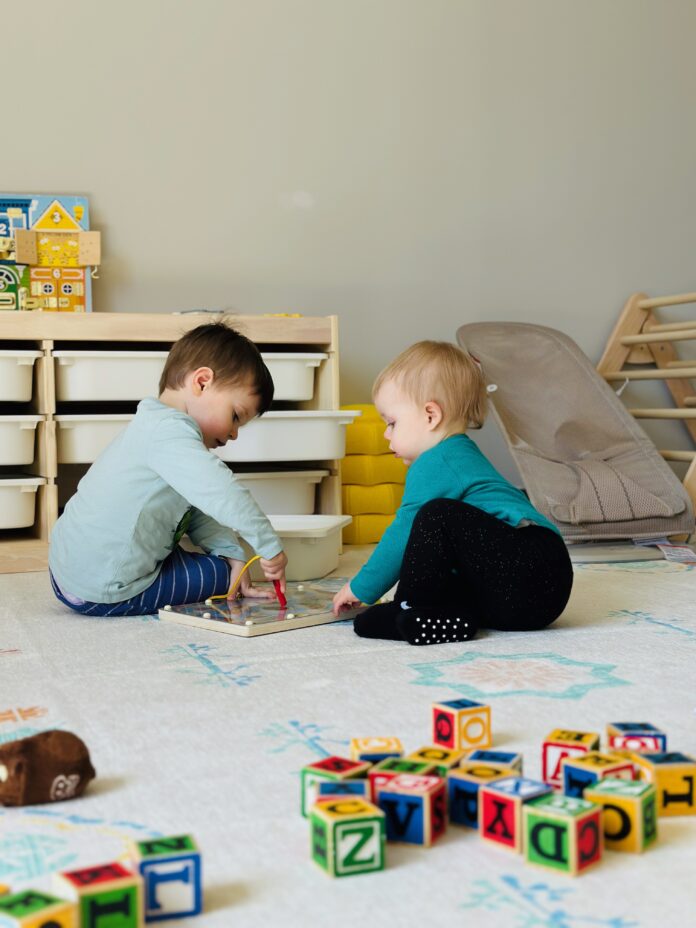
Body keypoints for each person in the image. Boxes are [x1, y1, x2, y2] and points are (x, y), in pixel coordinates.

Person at [332, 340, 573, 645]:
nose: (386, 433)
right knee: (433, 562)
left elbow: (403, 532)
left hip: (534, 565)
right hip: (529, 598)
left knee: (435, 515)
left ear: (430, 416)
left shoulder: (439, 460)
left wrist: (361, 587)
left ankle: (411, 608)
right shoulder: (458, 455)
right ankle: (452, 618)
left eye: (392, 423)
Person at [49, 322, 287, 616]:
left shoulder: (154, 427)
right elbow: (223, 493)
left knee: (216, 562)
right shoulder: (169, 433)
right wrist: (269, 546)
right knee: (219, 575)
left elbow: (197, 508)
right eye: (236, 416)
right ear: (202, 382)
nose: (234, 434)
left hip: (66, 571)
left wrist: (232, 553)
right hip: (105, 587)